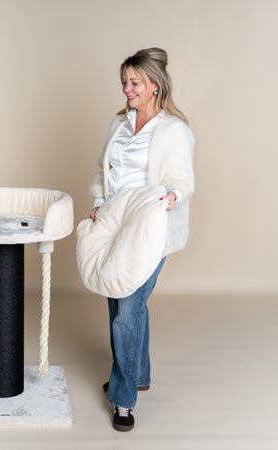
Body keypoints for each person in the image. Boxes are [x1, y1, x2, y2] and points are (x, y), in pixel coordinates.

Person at [89, 48, 195, 432]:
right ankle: (139, 374)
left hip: (149, 227)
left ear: (154, 85)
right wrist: (99, 203)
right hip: (115, 224)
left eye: (134, 82)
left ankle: (123, 398)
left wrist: (173, 196)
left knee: (128, 311)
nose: (127, 89)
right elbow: (102, 169)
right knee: (117, 301)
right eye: (124, 82)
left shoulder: (174, 131)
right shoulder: (119, 123)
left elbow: (183, 179)